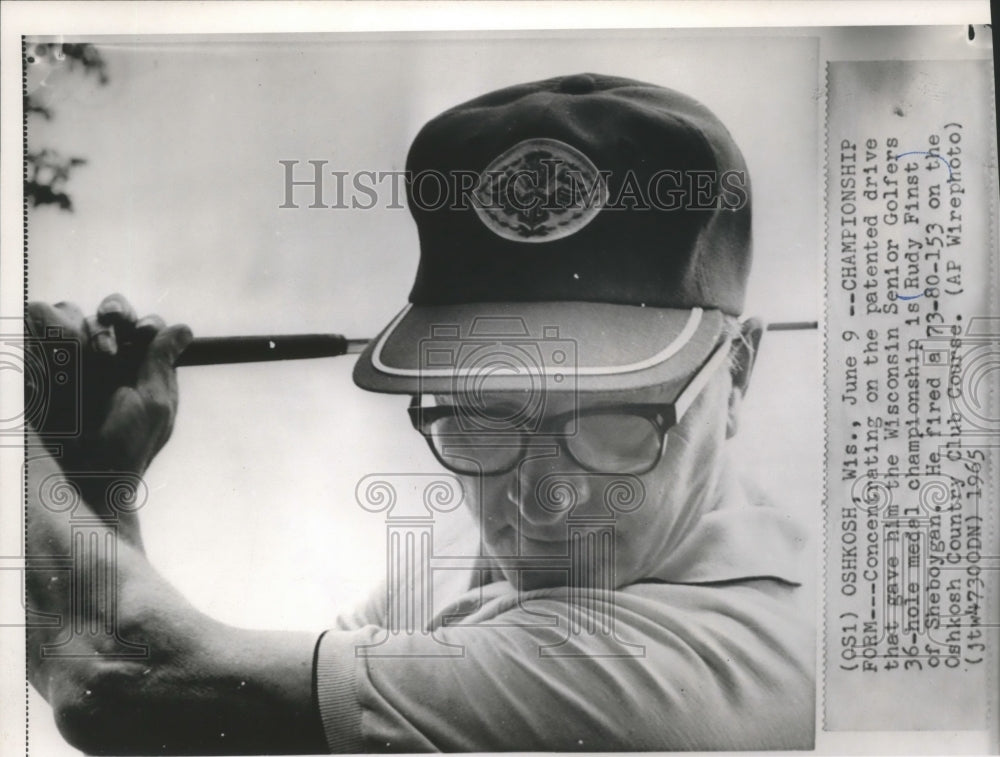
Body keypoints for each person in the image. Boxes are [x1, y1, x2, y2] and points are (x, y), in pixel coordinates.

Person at [25, 73, 813, 754]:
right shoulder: (496, 557)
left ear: (736, 374)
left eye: (612, 420)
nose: (539, 501)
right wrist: (97, 483)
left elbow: (122, 680)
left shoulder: (695, 672)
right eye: (483, 415)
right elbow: (191, 720)